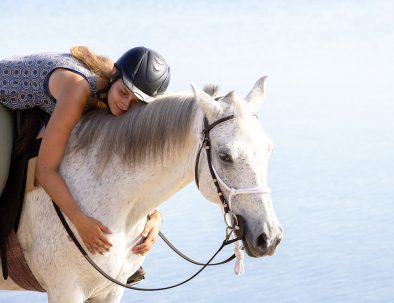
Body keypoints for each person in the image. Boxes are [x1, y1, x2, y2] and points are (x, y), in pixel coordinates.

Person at [0, 46, 170, 260]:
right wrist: (81, 222)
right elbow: (45, 171)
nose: (126, 106)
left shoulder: (113, 95)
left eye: (137, 103)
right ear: (114, 75)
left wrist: (155, 214)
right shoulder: (78, 91)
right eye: (124, 93)